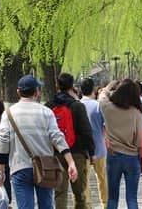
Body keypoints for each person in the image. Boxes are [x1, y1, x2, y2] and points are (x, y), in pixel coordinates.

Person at [0, 75, 79, 209]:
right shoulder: (46, 112)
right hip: (45, 167)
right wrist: (70, 162)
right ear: (37, 92)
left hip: (19, 167)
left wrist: (1, 170)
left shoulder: (8, 114)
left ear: (18, 92)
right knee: (46, 205)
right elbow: (57, 137)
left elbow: (3, 142)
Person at [48, 73, 95, 209]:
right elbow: (86, 131)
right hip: (77, 153)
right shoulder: (77, 106)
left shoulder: (49, 106)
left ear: (57, 86)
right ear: (72, 86)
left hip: (56, 153)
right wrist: (92, 152)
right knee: (79, 194)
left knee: (60, 192)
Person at [98, 79, 142, 209]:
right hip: (132, 157)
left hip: (113, 156)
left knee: (112, 198)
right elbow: (140, 140)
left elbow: (101, 96)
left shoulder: (108, 108)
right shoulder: (137, 113)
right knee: (132, 198)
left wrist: (108, 87)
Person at [79, 78, 108, 207]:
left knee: (85, 181)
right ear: (94, 90)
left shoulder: (77, 105)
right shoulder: (98, 105)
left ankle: (88, 205)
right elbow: (106, 127)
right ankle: (105, 204)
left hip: (82, 149)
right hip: (100, 147)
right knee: (102, 178)